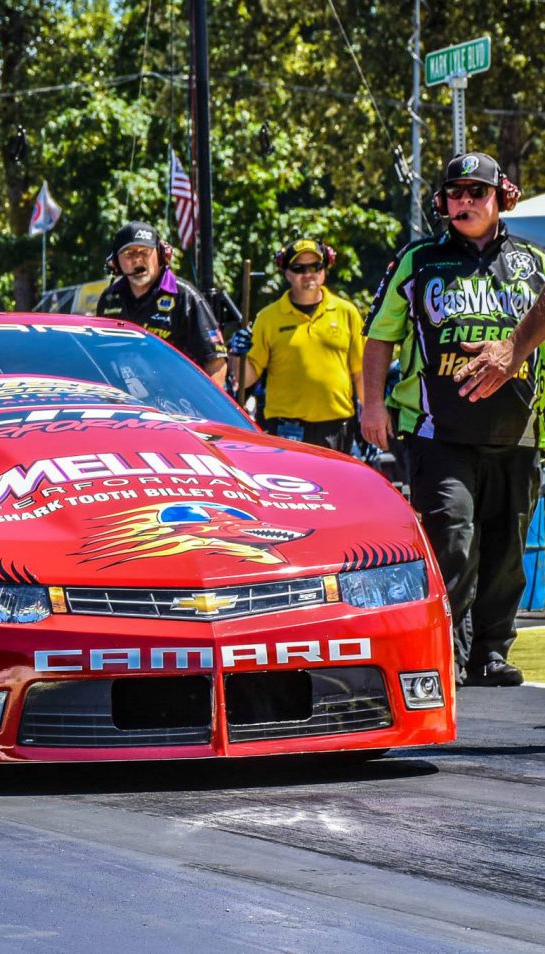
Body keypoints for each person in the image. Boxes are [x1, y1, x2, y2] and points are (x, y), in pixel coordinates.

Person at [360, 151, 545, 687]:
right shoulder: (417, 260)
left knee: (508, 545)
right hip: (436, 430)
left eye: (477, 192)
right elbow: (379, 337)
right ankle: (450, 646)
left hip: (519, 431)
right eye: (455, 193)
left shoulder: (534, 263)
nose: (465, 202)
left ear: (501, 198)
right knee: (451, 534)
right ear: (442, 202)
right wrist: (373, 405)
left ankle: (490, 651)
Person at [228, 239, 364, 453]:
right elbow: (246, 379)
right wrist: (237, 353)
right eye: (299, 268)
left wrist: (370, 415)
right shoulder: (268, 318)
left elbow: (361, 372)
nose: (308, 273)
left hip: (336, 426)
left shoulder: (347, 312)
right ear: (287, 273)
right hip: (285, 427)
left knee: (335, 486)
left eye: (315, 266)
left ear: (324, 270)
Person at [96, 221, 227, 384]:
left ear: (161, 254)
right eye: (129, 254)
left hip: (178, 401)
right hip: (127, 401)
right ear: (115, 262)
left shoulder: (185, 296)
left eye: (144, 252)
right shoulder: (108, 299)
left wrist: (205, 408)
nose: (137, 260)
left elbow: (216, 364)